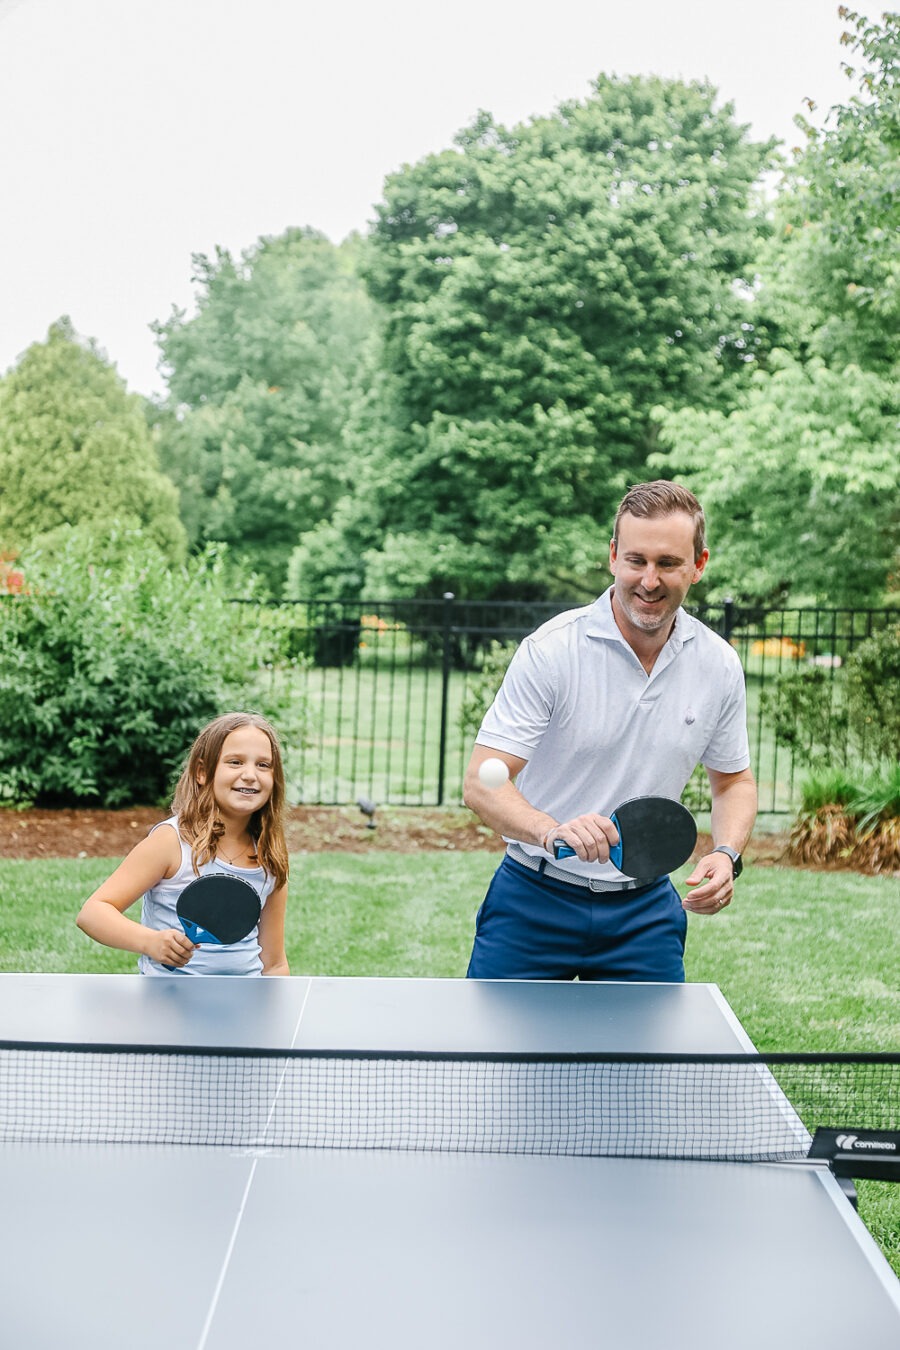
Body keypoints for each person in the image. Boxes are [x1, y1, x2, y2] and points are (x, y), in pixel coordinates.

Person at [463, 480, 757, 983]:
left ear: (698, 565)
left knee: (644, 1064)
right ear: (614, 557)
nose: (649, 579)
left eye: (668, 563)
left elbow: (733, 782)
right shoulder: (551, 650)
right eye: (636, 560)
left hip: (645, 914)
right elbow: (482, 783)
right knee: (498, 1062)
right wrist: (549, 828)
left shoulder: (718, 664)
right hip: (533, 901)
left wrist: (727, 853)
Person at [76, 712, 290, 976]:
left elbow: (274, 963)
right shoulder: (171, 842)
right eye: (235, 762)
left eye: (263, 765)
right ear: (202, 772)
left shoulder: (269, 853)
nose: (249, 774)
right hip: (169, 1004)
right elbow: (93, 913)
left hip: (244, 1004)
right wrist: (150, 942)